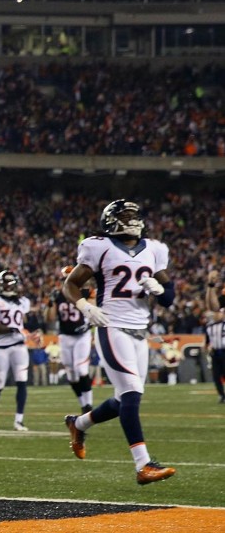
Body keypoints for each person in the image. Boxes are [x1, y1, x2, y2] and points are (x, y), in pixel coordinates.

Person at [62, 199, 176, 485]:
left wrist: (160, 289)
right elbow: (71, 284)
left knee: (123, 397)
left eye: (133, 215)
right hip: (111, 325)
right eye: (125, 216)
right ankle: (143, 465)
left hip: (140, 330)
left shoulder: (155, 249)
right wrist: (86, 307)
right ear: (111, 220)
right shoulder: (98, 246)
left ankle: (79, 423)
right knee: (131, 393)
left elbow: (169, 299)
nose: (131, 220)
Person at [0, 270, 35, 431]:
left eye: (10, 282)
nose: (7, 285)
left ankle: (19, 419)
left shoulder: (23, 301)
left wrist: (32, 332)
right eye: (5, 282)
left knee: (22, 381)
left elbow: (24, 323)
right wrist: (13, 330)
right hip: (1, 347)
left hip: (19, 346)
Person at [46, 265, 95, 414]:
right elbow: (50, 318)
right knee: (71, 374)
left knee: (81, 369)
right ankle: (83, 404)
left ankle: (89, 404)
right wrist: (50, 303)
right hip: (65, 336)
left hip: (82, 335)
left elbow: (93, 310)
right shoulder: (58, 295)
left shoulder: (86, 292)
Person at [205, 271, 225, 403]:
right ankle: (222, 395)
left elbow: (216, 313)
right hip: (217, 348)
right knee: (216, 375)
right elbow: (212, 306)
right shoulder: (220, 304)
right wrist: (210, 285)